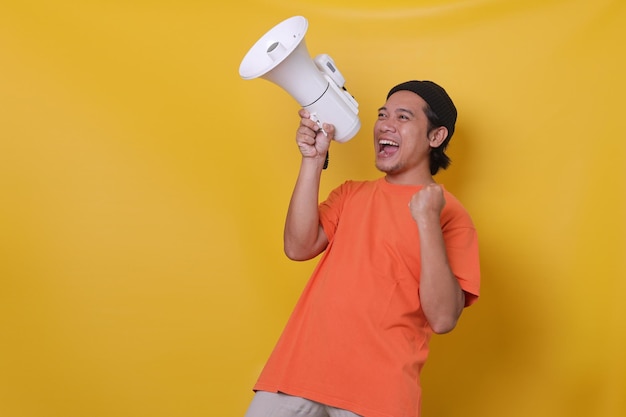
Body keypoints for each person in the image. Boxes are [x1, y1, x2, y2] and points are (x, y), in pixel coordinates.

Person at [244, 80, 481, 417]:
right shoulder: (352, 194)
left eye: (403, 117)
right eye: (383, 114)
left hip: (378, 396)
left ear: (435, 137)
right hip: (296, 375)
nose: (385, 124)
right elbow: (298, 247)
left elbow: (443, 318)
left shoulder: (451, 215)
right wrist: (313, 160)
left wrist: (427, 221)